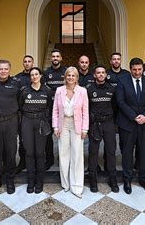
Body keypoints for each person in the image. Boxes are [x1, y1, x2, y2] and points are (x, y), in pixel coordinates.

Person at [116, 58, 145, 195]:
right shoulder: (122, 81)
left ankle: (144, 179)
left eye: (140, 69)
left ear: (143, 69)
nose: (137, 72)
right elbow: (120, 102)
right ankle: (127, 179)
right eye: (134, 69)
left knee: (144, 152)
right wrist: (134, 116)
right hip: (128, 123)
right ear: (130, 68)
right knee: (127, 152)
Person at [52, 67, 89, 198]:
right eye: (69, 75)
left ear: (77, 78)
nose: (71, 78)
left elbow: (85, 111)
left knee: (77, 155)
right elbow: (55, 110)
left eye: (73, 76)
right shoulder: (59, 91)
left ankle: (77, 186)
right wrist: (55, 127)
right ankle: (66, 184)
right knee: (63, 154)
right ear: (65, 77)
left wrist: (85, 129)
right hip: (63, 124)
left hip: (76, 125)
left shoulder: (82, 91)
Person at [0, 60, 21, 195]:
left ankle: (10, 179)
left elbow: (20, 101)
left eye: (6, 69)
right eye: (0, 69)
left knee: (10, 152)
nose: (3, 71)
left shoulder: (16, 84)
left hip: (11, 122)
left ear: (9, 69)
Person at [86, 65, 118, 193]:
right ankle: (93, 179)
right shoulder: (88, 89)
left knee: (111, 151)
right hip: (95, 124)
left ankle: (112, 178)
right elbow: (85, 107)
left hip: (109, 123)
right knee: (93, 152)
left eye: (103, 72)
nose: (100, 74)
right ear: (94, 75)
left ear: (106, 75)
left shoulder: (112, 88)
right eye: (98, 72)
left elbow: (116, 106)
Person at [19, 67, 51, 194]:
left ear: (41, 75)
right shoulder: (24, 90)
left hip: (41, 122)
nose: (34, 76)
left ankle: (39, 181)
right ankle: (30, 180)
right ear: (30, 77)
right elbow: (20, 106)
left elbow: (50, 106)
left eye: (36, 74)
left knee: (39, 152)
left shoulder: (47, 91)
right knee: (29, 152)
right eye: (32, 75)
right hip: (27, 121)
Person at [43, 49, 66, 170]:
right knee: (48, 136)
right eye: (53, 56)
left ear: (61, 58)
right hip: (49, 108)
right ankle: (49, 159)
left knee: (63, 135)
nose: (55, 58)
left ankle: (63, 158)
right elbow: (44, 90)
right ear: (51, 59)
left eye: (57, 56)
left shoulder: (66, 72)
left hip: (63, 109)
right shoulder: (46, 73)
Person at [15, 55, 35, 173]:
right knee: (22, 140)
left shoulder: (38, 76)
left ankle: (36, 163)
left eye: (29, 61)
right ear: (23, 63)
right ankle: (22, 162)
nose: (27, 63)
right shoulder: (17, 78)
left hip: (36, 113)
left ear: (33, 63)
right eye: (25, 61)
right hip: (22, 114)